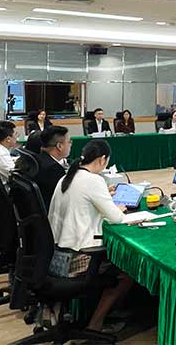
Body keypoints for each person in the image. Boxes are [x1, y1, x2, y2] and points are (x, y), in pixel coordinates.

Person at [48, 140, 133, 333]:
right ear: (102, 159)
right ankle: (96, 323)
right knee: (127, 272)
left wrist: (104, 196)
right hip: (77, 259)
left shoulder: (67, 177)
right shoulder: (94, 181)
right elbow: (117, 218)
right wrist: (118, 208)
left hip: (55, 254)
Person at [33, 125, 71, 209]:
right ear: (59, 146)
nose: (70, 145)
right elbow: (66, 198)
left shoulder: (37, 159)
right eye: (69, 142)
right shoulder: (54, 169)